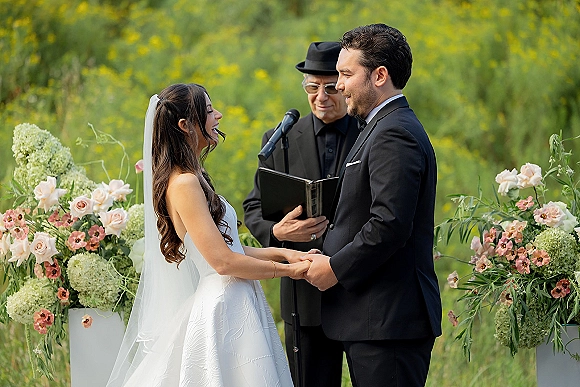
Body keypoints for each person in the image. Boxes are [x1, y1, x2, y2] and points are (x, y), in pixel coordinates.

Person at [107, 83, 312, 387]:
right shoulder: (184, 183)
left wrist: (285, 253)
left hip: (237, 299)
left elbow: (231, 249)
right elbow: (223, 262)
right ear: (184, 125)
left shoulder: (195, 176)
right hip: (222, 307)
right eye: (208, 111)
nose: (219, 115)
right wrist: (290, 271)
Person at [303, 24, 442, 387]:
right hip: (374, 319)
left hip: (389, 322)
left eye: (347, 74)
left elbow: (389, 223)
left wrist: (334, 268)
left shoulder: (394, 133)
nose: (339, 84)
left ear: (379, 75)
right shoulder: (378, 126)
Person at [243, 42, 359, 387]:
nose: (320, 96)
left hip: (359, 289)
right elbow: (253, 207)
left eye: (330, 87)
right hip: (304, 293)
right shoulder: (280, 139)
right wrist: (278, 233)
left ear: (345, 83)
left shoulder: (371, 132)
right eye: (312, 87)